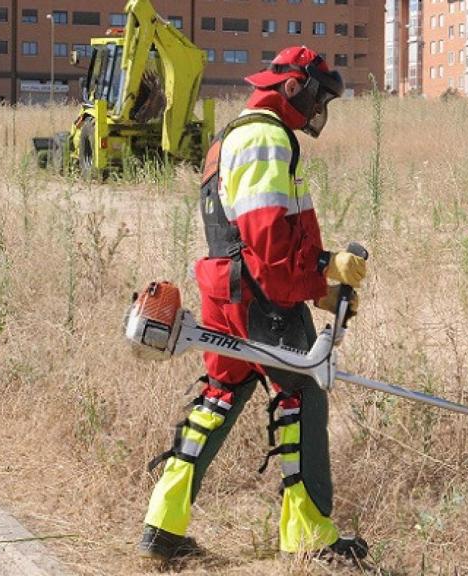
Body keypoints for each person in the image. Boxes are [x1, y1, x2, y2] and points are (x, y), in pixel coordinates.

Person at [137, 45, 369, 564]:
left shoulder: (231, 138)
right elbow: (269, 239)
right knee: (302, 393)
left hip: (226, 290)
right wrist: (324, 273)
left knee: (219, 397)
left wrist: (320, 278)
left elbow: (245, 234)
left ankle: (163, 524)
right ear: (293, 88)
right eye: (318, 99)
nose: (318, 112)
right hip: (261, 294)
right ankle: (310, 537)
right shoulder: (267, 138)